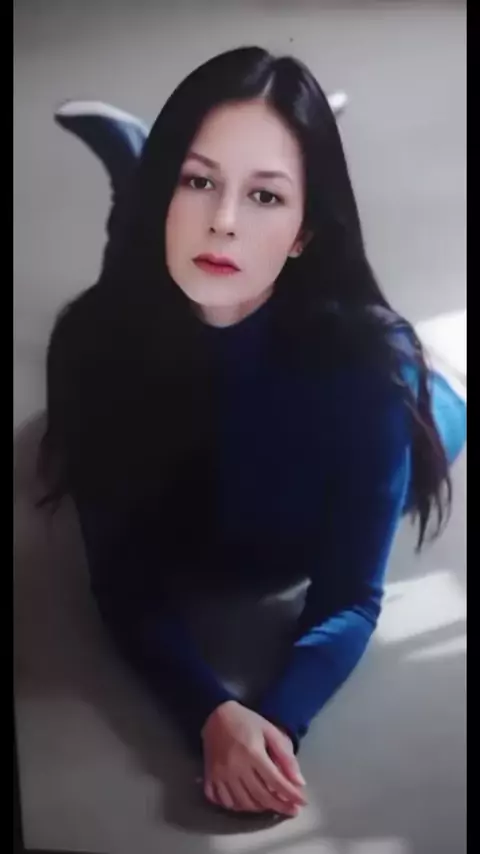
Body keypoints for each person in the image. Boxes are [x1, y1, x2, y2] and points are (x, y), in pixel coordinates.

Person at [39, 46, 466, 819]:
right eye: (195, 180)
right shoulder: (89, 348)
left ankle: (259, 158)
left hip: (367, 389)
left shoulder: (374, 373)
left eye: (266, 197)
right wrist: (205, 710)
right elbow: (122, 583)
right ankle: (159, 165)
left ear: (305, 233)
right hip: (153, 306)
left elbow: (350, 596)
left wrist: (272, 721)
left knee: (440, 409)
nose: (225, 220)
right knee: (140, 270)